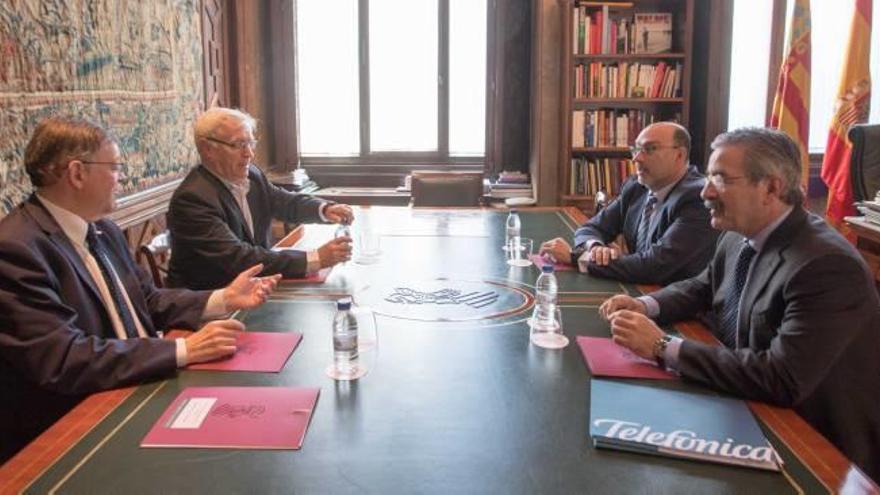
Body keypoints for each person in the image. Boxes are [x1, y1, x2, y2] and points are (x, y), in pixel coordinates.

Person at [600, 127, 880, 481]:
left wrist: (661, 346)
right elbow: (704, 287)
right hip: (743, 407)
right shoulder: (737, 233)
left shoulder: (826, 267)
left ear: (771, 188)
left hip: (815, 453)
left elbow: (780, 377)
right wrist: (647, 305)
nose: (705, 191)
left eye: (721, 179)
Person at [0, 116, 282, 462]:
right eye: (116, 167)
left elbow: (145, 300)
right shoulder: (17, 249)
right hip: (76, 429)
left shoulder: (102, 229)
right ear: (77, 173)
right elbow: (63, 358)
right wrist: (182, 349)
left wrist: (224, 297)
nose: (122, 179)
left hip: (136, 387)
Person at [167, 107, 354, 290]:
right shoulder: (192, 200)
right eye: (238, 145)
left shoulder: (252, 175)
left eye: (250, 143)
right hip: (211, 306)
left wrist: (324, 209)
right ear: (208, 149)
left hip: (254, 289)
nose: (249, 153)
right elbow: (239, 259)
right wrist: (316, 258)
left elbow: (283, 202)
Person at [539, 122, 718, 285]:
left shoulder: (697, 198)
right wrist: (594, 248)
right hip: (637, 290)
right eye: (636, 149)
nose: (636, 159)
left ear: (679, 155)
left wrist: (575, 257)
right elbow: (591, 228)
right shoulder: (637, 187)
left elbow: (652, 266)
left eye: (649, 149)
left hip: (678, 309)